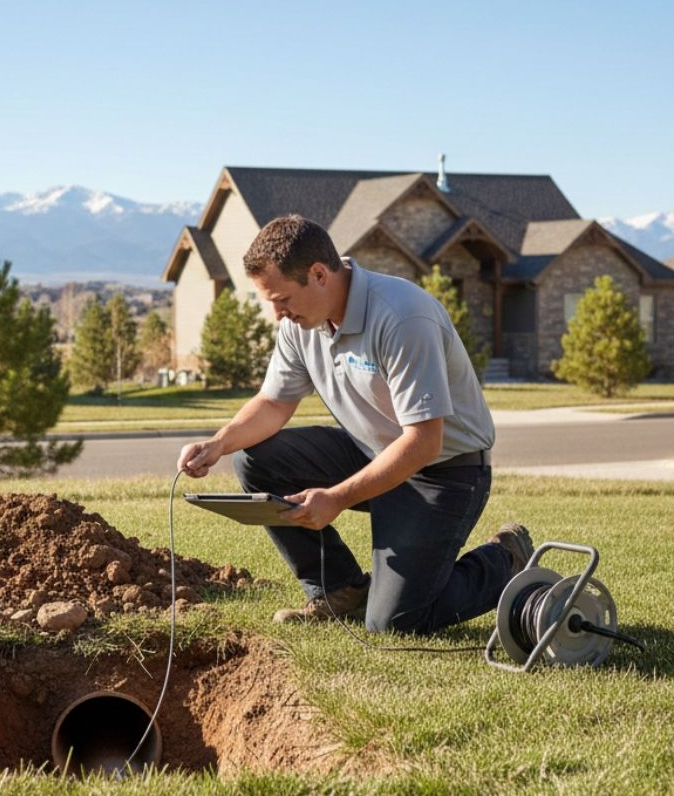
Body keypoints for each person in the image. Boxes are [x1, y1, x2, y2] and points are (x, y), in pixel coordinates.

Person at [177, 214, 532, 633]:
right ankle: (339, 590)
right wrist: (219, 443)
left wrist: (337, 498)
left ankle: (504, 558)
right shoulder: (300, 324)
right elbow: (273, 403)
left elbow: (423, 443)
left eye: (282, 299)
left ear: (319, 274)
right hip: (372, 452)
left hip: (444, 472)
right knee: (255, 461)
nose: (276, 314)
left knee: (396, 622)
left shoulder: (401, 316)